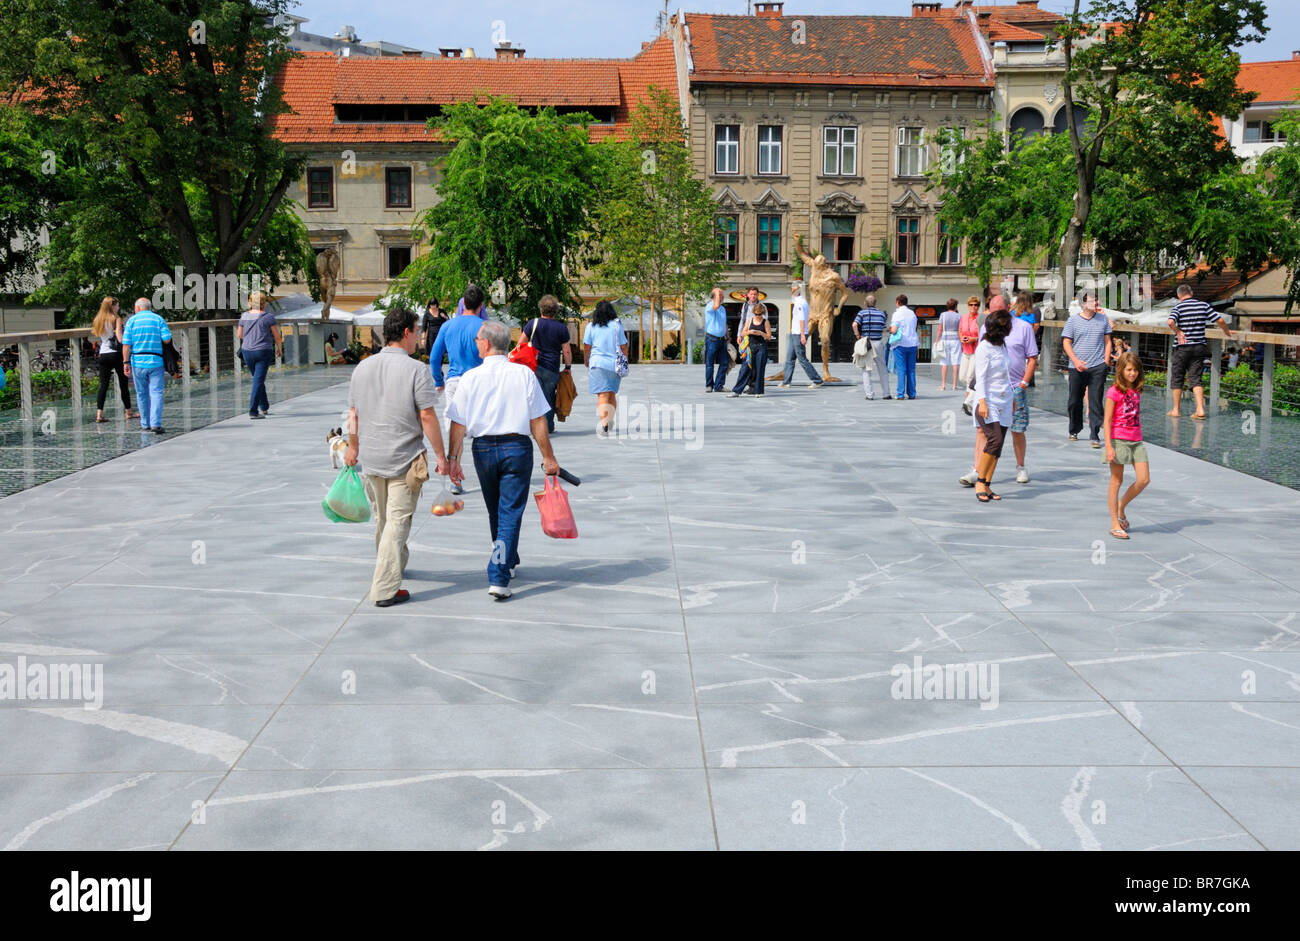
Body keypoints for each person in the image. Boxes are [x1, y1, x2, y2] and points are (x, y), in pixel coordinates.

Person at [445, 321, 560, 601]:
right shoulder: (523, 374)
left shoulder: (470, 378)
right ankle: (499, 571)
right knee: (508, 512)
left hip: (483, 450)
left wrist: (452, 459)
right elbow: (538, 421)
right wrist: (548, 456)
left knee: (498, 511)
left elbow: (457, 425)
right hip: (516, 449)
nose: (475, 344)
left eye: (476, 340)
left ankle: (506, 559)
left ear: (486, 343)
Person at [343, 308, 449, 608]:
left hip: (373, 458)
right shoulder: (417, 370)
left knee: (384, 520)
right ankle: (385, 588)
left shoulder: (361, 368)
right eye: (418, 331)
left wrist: (354, 447)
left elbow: (353, 415)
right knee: (397, 522)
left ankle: (393, 566)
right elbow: (427, 416)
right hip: (405, 458)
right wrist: (442, 456)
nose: (420, 337)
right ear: (406, 333)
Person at [959, 295, 1038, 487]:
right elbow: (982, 369)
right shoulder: (989, 329)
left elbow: (1032, 357)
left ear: (1008, 309)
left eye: (999, 312)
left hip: (1013, 387)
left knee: (1016, 430)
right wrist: (980, 398)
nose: (994, 316)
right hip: (989, 392)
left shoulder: (1023, 328)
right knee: (985, 433)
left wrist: (1023, 384)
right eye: (992, 312)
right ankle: (978, 472)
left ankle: (1020, 466)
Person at [431, 285, 489, 491]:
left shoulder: (447, 326)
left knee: (456, 431)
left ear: (463, 303)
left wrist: (438, 380)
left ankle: (456, 480)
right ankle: (489, 475)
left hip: (455, 382)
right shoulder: (484, 326)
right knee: (483, 430)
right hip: (478, 381)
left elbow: (434, 357)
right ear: (481, 305)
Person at [1167, 284, 1235, 419]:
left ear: (1179, 295)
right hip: (1199, 347)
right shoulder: (1203, 305)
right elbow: (1219, 319)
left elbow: (1170, 322)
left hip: (1182, 347)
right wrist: (1226, 331)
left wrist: (1178, 331)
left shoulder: (1178, 307)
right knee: (1196, 378)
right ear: (1191, 293)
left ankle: (1176, 410)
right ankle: (1200, 409)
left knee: (1177, 377)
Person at [1102, 350, 1150, 540]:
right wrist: (1108, 446)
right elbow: (1106, 421)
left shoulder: (1136, 390)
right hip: (1118, 439)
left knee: (1144, 479)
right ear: (1121, 370)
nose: (1133, 373)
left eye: (1136, 370)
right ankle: (1115, 523)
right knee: (1116, 481)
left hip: (1136, 440)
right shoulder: (1114, 391)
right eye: (1129, 370)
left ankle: (1121, 505)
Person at [972, 308, 1015, 503]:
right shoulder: (984, 348)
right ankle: (980, 481)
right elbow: (980, 378)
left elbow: (1007, 374)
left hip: (1005, 400)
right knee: (994, 439)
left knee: (999, 445)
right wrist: (982, 402)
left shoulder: (1002, 346)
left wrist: (1012, 398)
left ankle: (988, 484)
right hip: (988, 400)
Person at [1061, 292, 1113, 447]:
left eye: (1097, 299)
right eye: (1092, 300)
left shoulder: (1103, 319)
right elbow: (1066, 343)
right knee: (1074, 400)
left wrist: (1106, 361)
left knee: (1096, 400)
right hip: (1077, 367)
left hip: (1097, 366)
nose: (1095, 302)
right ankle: (1074, 429)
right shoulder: (1073, 321)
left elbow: (1108, 341)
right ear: (1083, 304)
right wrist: (1075, 361)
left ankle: (1095, 433)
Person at [521, 294, 572, 434]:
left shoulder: (532, 323)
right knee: (549, 398)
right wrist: (567, 367)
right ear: (555, 311)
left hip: (533, 366)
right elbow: (566, 350)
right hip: (551, 368)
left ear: (541, 309)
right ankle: (547, 427)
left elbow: (521, 343)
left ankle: (532, 426)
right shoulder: (561, 328)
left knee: (532, 397)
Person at [120, 297, 172, 434]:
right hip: (156, 361)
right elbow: (167, 339)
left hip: (137, 362)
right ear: (149, 307)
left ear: (137, 308)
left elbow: (126, 345)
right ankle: (156, 423)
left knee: (141, 393)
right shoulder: (158, 319)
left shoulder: (131, 321)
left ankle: (145, 423)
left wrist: (126, 362)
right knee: (156, 392)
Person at [583, 299, 629, 435]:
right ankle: (609, 420)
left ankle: (604, 424)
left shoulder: (590, 327)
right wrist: (625, 359)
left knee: (602, 395)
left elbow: (586, 346)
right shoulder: (616, 326)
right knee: (611, 393)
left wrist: (586, 359)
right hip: (614, 365)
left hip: (597, 363)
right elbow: (623, 346)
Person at [90, 296, 136, 423]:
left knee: (103, 385)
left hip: (103, 354)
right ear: (113, 306)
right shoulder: (116, 319)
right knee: (123, 384)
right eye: (117, 305)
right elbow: (120, 339)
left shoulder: (98, 320)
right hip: (116, 354)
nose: (119, 307)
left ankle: (99, 414)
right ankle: (128, 412)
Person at [237, 291, 282, 420]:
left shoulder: (244, 316)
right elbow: (277, 337)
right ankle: (253, 411)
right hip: (263, 351)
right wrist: (279, 349)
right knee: (258, 380)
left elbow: (239, 335)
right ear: (263, 303)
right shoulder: (268, 317)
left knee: (257, 380)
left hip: (247, 352)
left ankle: (264, 406)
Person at [779, 283, 824, 389]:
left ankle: (817, 380)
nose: (791, 291)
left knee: (802, 359)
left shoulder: (800, 303)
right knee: (789, 358)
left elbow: (802, 319)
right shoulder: (799, 302)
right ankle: (786, 381)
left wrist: (803, 336)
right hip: (794, 333)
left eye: (792, 289)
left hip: (799, 334)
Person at [851, 293, 890, 400]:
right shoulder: (881, 314)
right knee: (882, 368)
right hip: (878, 343)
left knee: (866, 369)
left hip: (866, 343)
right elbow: (884, 328)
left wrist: (857, 335)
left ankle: (870, 394)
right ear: (875, 303)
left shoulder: (862, 313)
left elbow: (854, 324)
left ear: (865, 303)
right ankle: (886, 393)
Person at [731, 300, 772, 396]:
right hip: (750, 347)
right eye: (756, 314)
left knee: (759, 369)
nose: (758, 316)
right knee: (745, 368)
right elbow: (743, 333)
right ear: (753, 313)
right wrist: (750, 332)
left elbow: (769, 337)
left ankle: (758, 391)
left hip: (761, 347)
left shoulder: (765, 322)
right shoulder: (749, 321)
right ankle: (737, 391)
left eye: (760, 314)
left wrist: (761, 333)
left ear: (763, 313)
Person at [887, 294, 919, 400]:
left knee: (901, 369)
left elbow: (894, 329)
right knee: (911, 369)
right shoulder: (912, 313)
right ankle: (912, 393)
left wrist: (890, 330)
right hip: (913, 343)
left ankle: (900, 394)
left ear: (898, 302)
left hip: (901, 344)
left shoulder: (897, 314)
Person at [702, 287, 729, 393]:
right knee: (710, 364)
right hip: (711, 339)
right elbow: (716, 305)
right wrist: (716, 292)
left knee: (725, 363)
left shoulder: (723, 309)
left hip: (722, 340)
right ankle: (709, 385)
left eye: (722, 294)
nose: (722, 296)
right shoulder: (710, 306)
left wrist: (728, 336)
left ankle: (719, 385)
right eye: (720, 294)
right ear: (714, 296)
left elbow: (724, 323)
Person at [936, 298, 963, 391]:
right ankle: (954, 385)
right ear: (955, 306)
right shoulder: (959, 316)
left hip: (945, 339)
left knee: (944, 362)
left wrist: (937, 340)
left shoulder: (943, 315)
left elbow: (940, 329)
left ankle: (943, 384)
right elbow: (960, 329)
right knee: (956, 362)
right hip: (956, 339)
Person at [958, 296, 981, 389]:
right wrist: (961, 338)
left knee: (969, 377)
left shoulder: (980, 319)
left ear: (978, 306)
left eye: (976, 305)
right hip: (965, 351)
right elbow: (960, 330)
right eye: (971, 305)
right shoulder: (963, 318)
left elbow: (983, 335)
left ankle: (968, 401)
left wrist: (974, 339)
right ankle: (976, 390)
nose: (973, 307)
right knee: (962, 377)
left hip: (975, 351)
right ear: (968, 306)